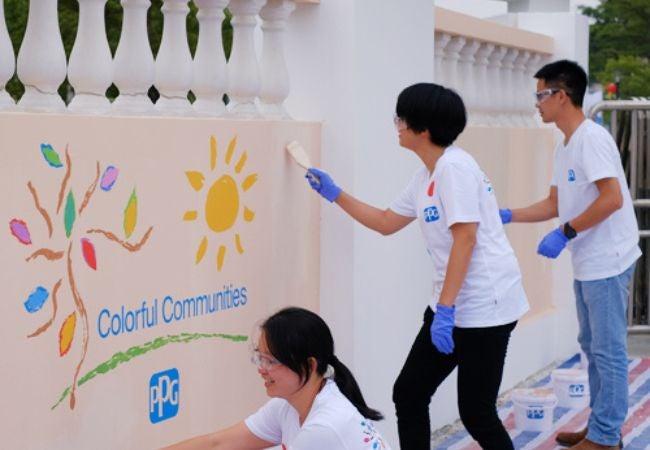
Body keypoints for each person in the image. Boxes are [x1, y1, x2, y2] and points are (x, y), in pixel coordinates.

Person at [306, 83, 529, 450]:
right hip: (451, 305)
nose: (397, 124)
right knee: (409, 392)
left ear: (422, 128)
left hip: (486, 307)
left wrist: (445, 310)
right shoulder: (426, 175)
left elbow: (466, 239)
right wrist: (336, 194)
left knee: (476, 412)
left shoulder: (455, 168)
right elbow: (385, 222)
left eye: (401, 118)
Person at [500, 60, 640, 450]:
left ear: (562, 96)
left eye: (542, 94)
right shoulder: (565, 145)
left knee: (608, 351)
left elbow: (612, 199)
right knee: (592, 345)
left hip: (609, 259)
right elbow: (553, 203)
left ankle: (606, 436)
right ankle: (601, 427)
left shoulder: (590, 139)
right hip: (588, 260)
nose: (537, 104)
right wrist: (508, 214)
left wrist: (565, 232)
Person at [161, 306, 391, 450]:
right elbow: (217, 444)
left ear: (310, 365)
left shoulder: (323, 428)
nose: (261, 369)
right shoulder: (287, 406)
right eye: (260, 358)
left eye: (270, 361)